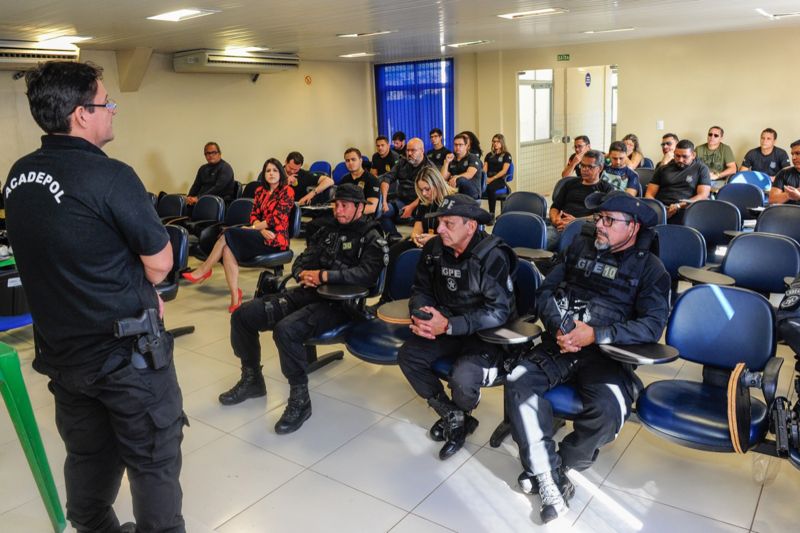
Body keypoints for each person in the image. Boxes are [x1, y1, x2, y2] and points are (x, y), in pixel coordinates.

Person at [4, 61, 184, 532]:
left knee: (88, 457)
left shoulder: (18, 177)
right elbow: (161, 261)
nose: (113, 112)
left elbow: (68, 254)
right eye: (108, 103)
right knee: (153, 460)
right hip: (126, 361)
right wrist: (142, 284)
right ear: (82, 114)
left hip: (64, 359)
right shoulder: (110, 177)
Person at [507, 190, 670, 523]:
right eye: (599, 218)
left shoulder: (651, 269)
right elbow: (546, 293)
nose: (600, 226)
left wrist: (597, 334)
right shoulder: (578, 248)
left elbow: (652, 325)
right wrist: (558, 329)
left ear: (633, 227)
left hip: (606, 353)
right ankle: (550, 477)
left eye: (610, 221)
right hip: (562, 342)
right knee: (518, 383)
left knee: (609, 412)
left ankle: (558, 464)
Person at [221, 184, 388, 434]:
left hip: (342, 305)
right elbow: (303, 259)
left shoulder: (371, 236)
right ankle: (252, 379)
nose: (338, 210)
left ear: (360, 207)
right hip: (308, 292)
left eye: (344, 206)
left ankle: (301, 398)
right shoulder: (328, 229)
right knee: (244, 315)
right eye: (336, 205)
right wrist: (303, 274)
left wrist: (323, 275)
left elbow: (366, 275)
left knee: (286, 330)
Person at [398, 194, 516, 460]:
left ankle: (461, 414)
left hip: (485, 333)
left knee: (462, 379)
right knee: (409, 356)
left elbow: (499, 312)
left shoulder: (492, 256)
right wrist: (422, 314)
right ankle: (453, 415)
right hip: (446, 323)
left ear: (470, 226)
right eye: (439, 222)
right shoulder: (434, 250)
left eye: (448, 224)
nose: (439, 230)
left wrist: (448, 325)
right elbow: (420, 289)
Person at [182, 158, 294, 312]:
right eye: (268, 171)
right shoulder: (260, 191)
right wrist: (257, 229)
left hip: (276, 238)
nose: (271, 174)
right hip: (260, 233)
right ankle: (235, 295)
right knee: (227, 248)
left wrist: (253, 228)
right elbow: (254, 215)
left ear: (281, 173)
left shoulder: (287, 191)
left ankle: (204, 269)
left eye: (275, 170)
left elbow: (277, 219)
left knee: (228, 233)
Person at [371, 166, 455, 309]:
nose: (424, 193)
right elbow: (417, 227)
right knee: (392, 252)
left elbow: (455, 234)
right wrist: (416, 236)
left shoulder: (452, 202)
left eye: (427, 189)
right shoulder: (425, 203)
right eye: (421, 190)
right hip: (425, 241)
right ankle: (386, 298)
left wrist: (434, 238)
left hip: (446, 243)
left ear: (437, 184)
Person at [548, 150, 614, 250]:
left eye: (590, 167)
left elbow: (603, 215)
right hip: (559, 225)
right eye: (582, 166)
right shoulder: (570, 184)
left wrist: (576, 222)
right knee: (538, 238)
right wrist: (555, 219)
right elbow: (555, 206)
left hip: (584, 228)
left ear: (600, 168)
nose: (584, 170)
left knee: (547, 241)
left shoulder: (606, 189)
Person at [645, 139, 712, 224]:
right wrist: (659, 208)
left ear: (693, 155)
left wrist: (678, 205)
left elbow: (703, 195)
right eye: (677, 156)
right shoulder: (663, 168)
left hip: (685, 209)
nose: (680, 159)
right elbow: (649, 194)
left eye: (685, 156)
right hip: (661, 208)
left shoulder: (701, 169)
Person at [379, 137, 431, 239]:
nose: (409, 153)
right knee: (381, 211)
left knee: (424, 218)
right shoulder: (402, 162)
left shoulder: (429, 167)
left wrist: (411, 207)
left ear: (422, 150)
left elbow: (427, 193)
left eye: (413, 150)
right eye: (408, 150)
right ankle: (394, 237)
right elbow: (386, 179)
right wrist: (384, 201)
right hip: (401, 201)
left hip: (420, 202)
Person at [187, 141, 236, 206]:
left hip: (219, 203)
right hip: (202, 201)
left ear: (219, 154)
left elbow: (218, 188)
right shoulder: (203, 168)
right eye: (207, 153)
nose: (210, 155)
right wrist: (189, 197)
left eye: (214, 152)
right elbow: (196, 186)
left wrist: (198, 198)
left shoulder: (225, 168)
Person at [338, 147, 380, 215]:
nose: (350, 163)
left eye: (353, 159)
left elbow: (371, 208)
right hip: (345, 216)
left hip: (363, 218)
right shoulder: (344, 179)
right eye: (347, 160)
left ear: (360, 161)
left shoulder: (372, 179)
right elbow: (337, 201)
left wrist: (349, 213)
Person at [441, 133, 482, 199]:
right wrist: (446, 163)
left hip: (473, 191)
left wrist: (456, 177)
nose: (457, 147)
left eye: (460, 145)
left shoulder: (473, 157)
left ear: (466, 146)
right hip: (456, 189)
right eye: (455, 145)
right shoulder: (452, 158)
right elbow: (443, 178)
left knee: (461, 180)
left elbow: (470, 174)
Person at [484, 133, 514, 220]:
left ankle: (491, 215)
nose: (495, 143)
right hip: (488, 178)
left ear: (502, 143)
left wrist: (491, 179)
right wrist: (484, 178)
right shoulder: (489, 155)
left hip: (500, 179)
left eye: (497, 141)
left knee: (490, 188)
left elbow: (504, 171)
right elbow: (484, 169)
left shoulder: (506, 155)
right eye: (494, 141)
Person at [768, 140, 800, 205]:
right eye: (792, 154)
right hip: (785, 213)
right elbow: (772, 200)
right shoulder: (784, 172)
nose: (793, 158)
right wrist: (789, 194)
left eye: (798, 153)